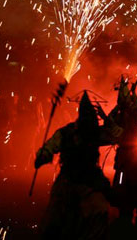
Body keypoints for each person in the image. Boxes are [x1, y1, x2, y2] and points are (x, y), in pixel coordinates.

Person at [35, 90, 120, 240]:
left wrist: (105, 117)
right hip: (69, 180)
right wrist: (42, 156)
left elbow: (117, 135)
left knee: (100, 211)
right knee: (55, 220)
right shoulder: (67, 132)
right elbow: (50, 147)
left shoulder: (94, 132)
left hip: (90, 181)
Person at [108, 77, 137, 221]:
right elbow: (110, 122)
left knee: (135, 178)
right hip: (127, 152)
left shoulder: (133, 113)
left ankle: (136, 202)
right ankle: (129, 203)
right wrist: (132, 94)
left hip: (131, 153)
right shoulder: (127, 113)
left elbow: (110, 120)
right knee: (126, 178)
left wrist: (132, 94)